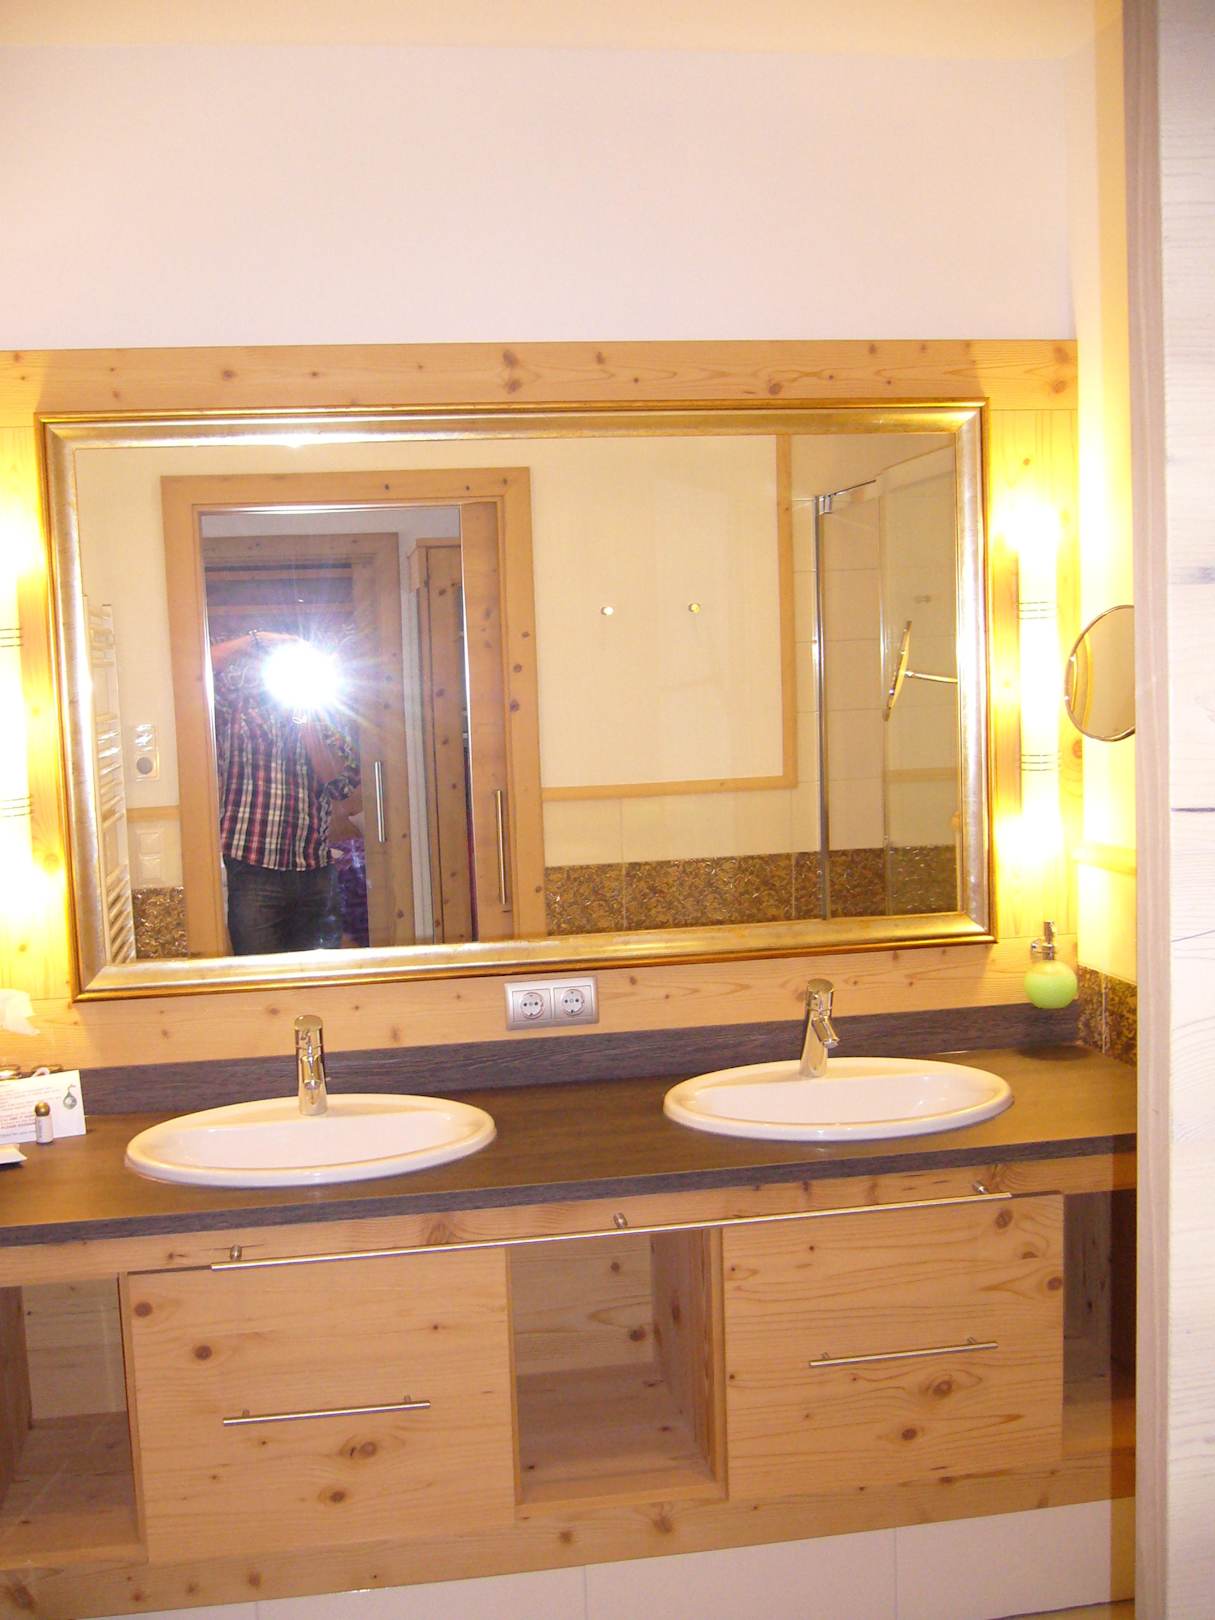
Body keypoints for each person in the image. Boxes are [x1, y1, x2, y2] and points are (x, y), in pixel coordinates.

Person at [210, 630, 360, 955]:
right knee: (259, 978)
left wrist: (308, 722)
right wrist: (259, 639)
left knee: (319, 978)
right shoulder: (237, 704)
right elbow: (196, 671)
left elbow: (341, 785)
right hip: (252, 869)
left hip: (315, 871)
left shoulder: (327, 715)